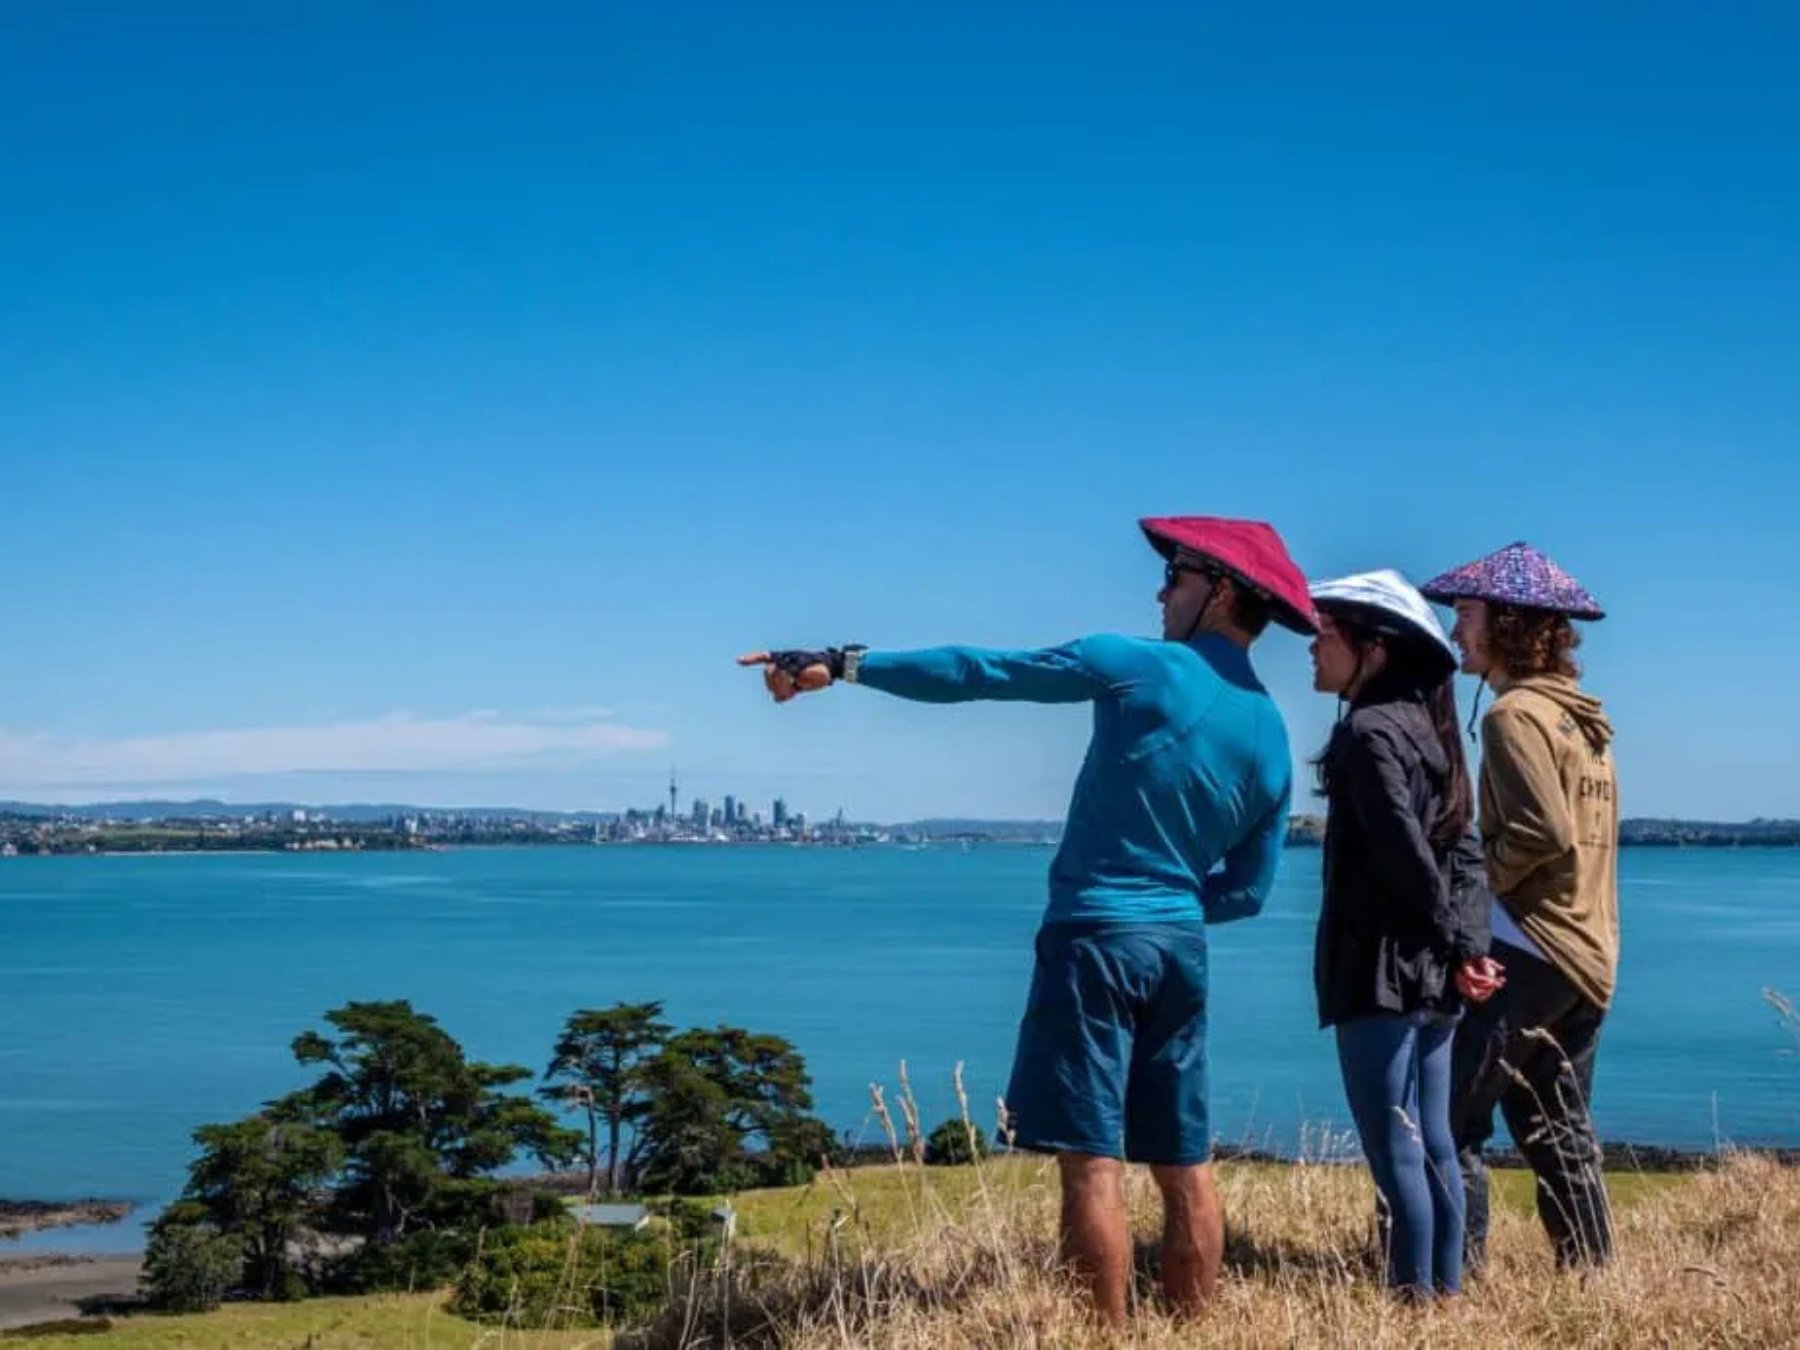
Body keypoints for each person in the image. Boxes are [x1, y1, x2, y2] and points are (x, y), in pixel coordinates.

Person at [739, 516, 1314, 1323]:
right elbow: (1250, 892)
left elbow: (982, 671)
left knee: (1093, 1164)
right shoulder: (1272, 735)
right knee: (1185, 1163)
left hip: (1094, 940)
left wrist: (840, 663)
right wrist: (1173, 907)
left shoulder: (1142, 667)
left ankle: (1100, 1338)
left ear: (1220, 591)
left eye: (1176, 575)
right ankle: (1195, 1333)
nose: (1160, 590)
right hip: (1180, 949)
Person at [1420, 542, 1619, 1272]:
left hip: (1528, 948)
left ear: (1507, 623)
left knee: (1451, 1120)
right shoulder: (1582, 721)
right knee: (1556, 1125)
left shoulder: (1516, 716)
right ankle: (1591, 1277)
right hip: (1586, 951)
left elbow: (1542, 833)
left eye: (1466, 612)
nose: (1453, 629)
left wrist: (1471, 890)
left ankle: (1448, 1279)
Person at [1307, 569, 1502, 1299]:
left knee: (1397, 1152)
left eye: (1326, 632)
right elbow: (1463, 855)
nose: (1311, 648)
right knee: (1435, 1145)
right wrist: (1469, 948)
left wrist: (1460, 945)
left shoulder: (1366, 732)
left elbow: (1404, 853)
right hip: (1432, 973)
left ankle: (1412, 1305)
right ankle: (1443, 1299)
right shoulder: (1432, 730)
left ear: (1375, 648)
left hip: (1380, 966)